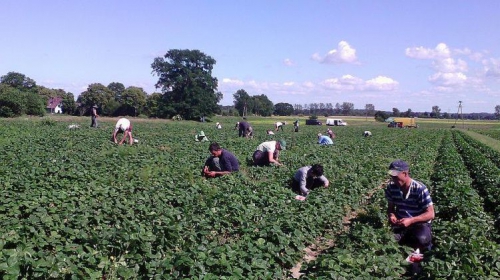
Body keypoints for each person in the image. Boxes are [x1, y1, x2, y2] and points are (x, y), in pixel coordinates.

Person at [385, 159, 434, 253]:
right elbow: (390, 208)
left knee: (421, 239)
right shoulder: (391, 187)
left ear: (405, 174)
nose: (393, 179)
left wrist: (411, 220)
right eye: (392, 177)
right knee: (388, 241)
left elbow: (431, 214)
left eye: (396, 177)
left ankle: (420, 256)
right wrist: (392, 215)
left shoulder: (420, 189)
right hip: (401, 223)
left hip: (419, 223)